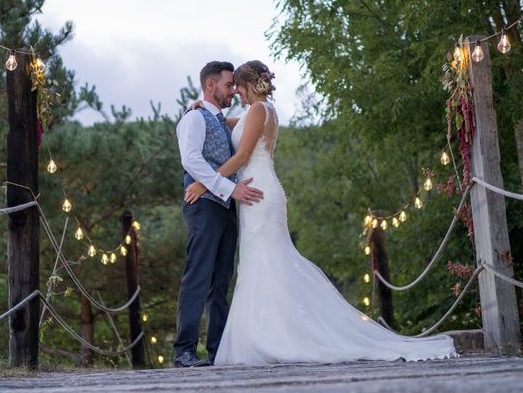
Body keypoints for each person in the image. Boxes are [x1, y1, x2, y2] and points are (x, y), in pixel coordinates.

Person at [184, 60, 457, 366]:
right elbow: (224, 124)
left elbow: (245, 155)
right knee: (263, 262)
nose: (236, 92)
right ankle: (270, 333)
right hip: (255, 192)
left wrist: (205, 183)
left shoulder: (259, 111)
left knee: (267, 261)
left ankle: (279, 337)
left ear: (249, 85)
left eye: (238, 86)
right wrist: (203, 108)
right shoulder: (257, 111)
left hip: (257, 192)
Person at [173, 61, 264, 368]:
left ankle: (217, 352)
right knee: (198, 277)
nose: (232, 91)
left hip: (224, 207)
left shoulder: (219, 119)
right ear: (210, 86)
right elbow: (191, 160)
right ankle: (184, 351)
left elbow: (251, 121)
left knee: (220, 283)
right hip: (203, 206)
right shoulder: (194, 118)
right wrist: (228, 187)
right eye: (228, 85)